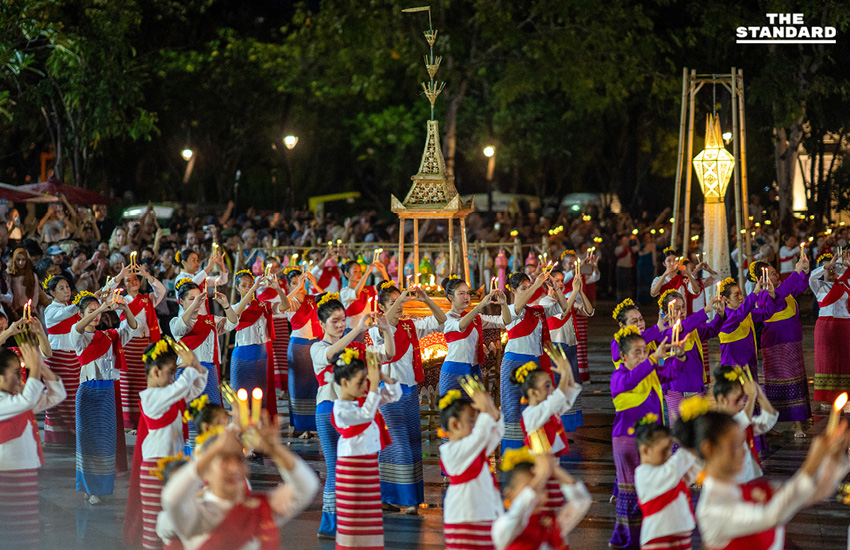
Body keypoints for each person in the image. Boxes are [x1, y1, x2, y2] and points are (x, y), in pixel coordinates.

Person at [674, 399, 850, 550]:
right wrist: (811, 463)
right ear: (709, 449)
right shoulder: (711, 509)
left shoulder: (753, 488)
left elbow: (812, 493)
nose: (743, 452)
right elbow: (771, 515)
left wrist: (832, 459)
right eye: (734, 446)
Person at [160, 414, 319, 550]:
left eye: (239, 460)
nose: (234, 468)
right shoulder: (197, 515)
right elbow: (172, 499)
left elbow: (308, 487)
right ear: (206, 472)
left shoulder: (262, 508)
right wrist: (213, 450)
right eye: (224, 460)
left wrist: (276, 450)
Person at [310, 295, 394, 539]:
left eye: (343, 320)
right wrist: (358, 328)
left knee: (355, 467)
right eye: (334, 321)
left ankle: (351, 516)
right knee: (335, 468)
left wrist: (387, 330)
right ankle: (330, 523)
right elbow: (331, 355)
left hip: (356, 416)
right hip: (328, 410)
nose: (339, 325)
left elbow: (388, 354)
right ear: (322, 324)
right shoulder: (318, 347)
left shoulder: (358, 349)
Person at [123, 337, 208, 550]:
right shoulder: (150, 397)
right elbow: (180, 387)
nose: (173, 377)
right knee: (153, 526)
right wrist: (188, 368)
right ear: (155, 372)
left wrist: (196, 366)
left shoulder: (171, 394)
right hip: (154, 469)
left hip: (174, 466)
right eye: (171, 372)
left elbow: (195, 387)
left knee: (173, 524)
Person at [371, 281, 446, 513]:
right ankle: (406, 501)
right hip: (389, 392)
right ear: (382, 308)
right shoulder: (377, 329)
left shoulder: (410, 326)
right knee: (397, 444)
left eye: (401, 302)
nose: (401, 306)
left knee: (413, 443)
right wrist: (402, 294)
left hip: (411, 390)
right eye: (394, 303)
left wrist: (426, 299)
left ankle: (400, 497)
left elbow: (441, 320)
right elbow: (385, 337)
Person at [609, 327, 678, 550]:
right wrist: (653, 359)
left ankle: (646, 536)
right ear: (624, 357)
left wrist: (681, 355)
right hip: (627, 441)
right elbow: (629, 382)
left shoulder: (648, 370)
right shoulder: (618, 377)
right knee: (630, 492)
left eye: (644, 351)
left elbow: (671, 373)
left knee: (650, 491)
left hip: (650, 440)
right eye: (636, 352)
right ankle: (627, 539)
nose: (642, 356)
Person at [72, 290, 139, 505]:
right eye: (91, 311)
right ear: (82, 314)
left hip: (107, 391)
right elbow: (78, 327)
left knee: (105, 441)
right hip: (88, 391)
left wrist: (125, 308)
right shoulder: (79, 335)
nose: (97, 315)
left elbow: (132, 326)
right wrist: (100, 307)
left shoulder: (111, 336)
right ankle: (88, 487)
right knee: (87, 440)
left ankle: (99, 487)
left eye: (98, 311)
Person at [332, 347, 401, 550]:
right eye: (360, 382)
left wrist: (382, 377)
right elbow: (365, 416)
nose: (365, 385)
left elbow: (393, 395)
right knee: (353, 521)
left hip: (368, 466)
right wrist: (372, 390)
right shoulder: (340, 408)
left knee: (369, 520)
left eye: (366, 380)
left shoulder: (364, 401)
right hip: (351, 471)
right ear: (344, 383)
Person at [0, 343, 66, 550]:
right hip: (7, 472)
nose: (20, 377)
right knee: (12, 530)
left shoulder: (16, 399)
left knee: (26, 530)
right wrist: (34, 368)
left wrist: (41, 366)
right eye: (15, 373)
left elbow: (57, 395)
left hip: (24, 469)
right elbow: (28, 400)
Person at [500, 271, 568, 451]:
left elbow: (563, 307)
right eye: (523, 288)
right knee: (512, 407)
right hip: (513, 363)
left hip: (534, 363)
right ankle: (512, 452)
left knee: (534, 406)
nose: (528, 291)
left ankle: (532, 449)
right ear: (513, 290)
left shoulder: (537, 310)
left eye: (529, 287)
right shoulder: (510, 309)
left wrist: (555, 287)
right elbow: (517, 308)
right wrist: (537, 285)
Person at [512, 346, 581, 511]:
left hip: (553, 467)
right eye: (547, 386)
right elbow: (559, 398)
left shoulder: (546, 409)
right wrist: (563, 374)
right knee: (541, 508)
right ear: (533, 393)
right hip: (539, 471)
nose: (552, 390)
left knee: (552, 509)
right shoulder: (532, 414)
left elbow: (568, 394)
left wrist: (568, 370)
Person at [438, 389, 503, 550]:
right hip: (463, 518)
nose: (475, 426)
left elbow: (495, 434)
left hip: (484, 513)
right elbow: (480, 436)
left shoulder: (474, 448)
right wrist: (484, 412)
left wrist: (492, 410)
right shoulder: (450, 451)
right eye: (471, 421)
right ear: (455, 424)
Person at [106, 263, 167, 430]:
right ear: (124, 285)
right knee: (128, 383)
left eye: (135, 279)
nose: (133, 282)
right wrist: (119, 276)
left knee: (145, 382)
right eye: (128, 280)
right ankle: (127, 422)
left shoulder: (148, 299)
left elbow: (161, 291)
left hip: (147, 345)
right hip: (128, 346)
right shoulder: (121, 301)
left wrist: (146, 275)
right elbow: (106, 296)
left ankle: (142, 420)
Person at [756, 254, 812, 437]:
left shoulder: (783, 290)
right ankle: (788, 425)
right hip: (777, 347)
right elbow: (779, 297)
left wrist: (804, 272)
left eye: (775, 272)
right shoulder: (765, 297)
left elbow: (800, 286)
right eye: (771, 274)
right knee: (781, 384)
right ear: (762, 279)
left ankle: (798, 422)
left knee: (795, 382)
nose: (776, 275)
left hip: (792, 345)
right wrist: (795, 271)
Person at [492, 449, 591, 550]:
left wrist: (555, 470)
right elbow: (519, 511)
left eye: (542, 488)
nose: (537, 495)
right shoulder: (503, 526)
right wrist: (541, 476)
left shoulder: (548, 525)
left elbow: (581, 502)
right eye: (530, 487)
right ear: (509, 493)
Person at [656, 289, 725, 423]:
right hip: (674, 387)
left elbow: (711, 330)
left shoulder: (691, 325)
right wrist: (705, 310)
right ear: (665, 312)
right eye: (676, 308)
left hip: (694, 383)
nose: (681, 312)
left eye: (683, 307)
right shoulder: (663, 331)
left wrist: (720, 315)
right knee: (678, 426)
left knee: (697, 426)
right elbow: (680, 329)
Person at [169, 279, 238, 407]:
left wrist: (226, 305)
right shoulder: (175, 322)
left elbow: (233, 323)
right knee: (190, 416)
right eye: (191, 299)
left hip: (209, 372)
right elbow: (180, 328)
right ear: (181, 301)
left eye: (199, 298)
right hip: (187, 373)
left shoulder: (211, 320)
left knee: (211, 416)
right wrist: (195, 304)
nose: (197, 302)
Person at [230, 269, 289, 417]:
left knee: (259, 393)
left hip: (261, 353)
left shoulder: (263, 305)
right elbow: (236, 315)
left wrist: (278, 289)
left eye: (251, 284)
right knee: (241, 393)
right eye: (244, 285)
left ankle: (259, 426)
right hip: (242, 354)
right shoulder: (233, 307)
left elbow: (285, 306)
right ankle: (242, 424)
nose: (249, 288)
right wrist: (254, 289)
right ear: (237, 288)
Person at [633, 417, 698, 550]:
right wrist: (687, 445)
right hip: (657, 537)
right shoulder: (642, 474)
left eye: (670, 450)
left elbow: (691, 470)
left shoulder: (671, 472)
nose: (669, 455)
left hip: (682, 533)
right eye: (664, 450)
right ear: (645, 450)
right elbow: (673, 469)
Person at [441, 276, 510, 395]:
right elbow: (461, 325)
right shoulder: (447, 318)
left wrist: (503, 304)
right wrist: (479, 306)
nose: (466, 297)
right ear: (451, 297)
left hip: (473, 371)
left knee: (475, 411)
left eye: (467, 293)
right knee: (452, 412)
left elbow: (505, 321)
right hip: (454, 371)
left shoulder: (476, 318)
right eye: (461, 293)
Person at [543, 270, 592, 431]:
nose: (561, 283)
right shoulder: (546, 301)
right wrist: (573, 293)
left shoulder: (567, 299)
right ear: (548, 284)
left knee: (572, 382)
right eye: (556, 280)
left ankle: (570, 422)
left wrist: (580, 291)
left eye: (562, 280)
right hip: (557, 346)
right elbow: (563, 313)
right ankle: (559, 423)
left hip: (570, 345)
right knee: (560, 384)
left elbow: (589, 311)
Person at [712, 365, 778, 483]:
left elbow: (768, 420)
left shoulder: (742, 422)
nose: (742, 403)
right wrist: (752, 397)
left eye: (743, 398)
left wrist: (760, 395)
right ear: (722, 399)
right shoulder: (714, 423)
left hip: (748, 479)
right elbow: (739, 422)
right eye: (737, 399)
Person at [282, 267, 324, 435]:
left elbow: (329, 300)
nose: (299, 285)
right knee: (298, 387)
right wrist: (296, 288)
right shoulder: (289, 301)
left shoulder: (312, 299)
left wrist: (314, 284)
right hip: (298, 346)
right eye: (294, 282)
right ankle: (301, 426)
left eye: (301, 281)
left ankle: (313, 425)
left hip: (314, 345)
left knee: (313, 386)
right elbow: (282, 305)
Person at [42, 274, 80, 445]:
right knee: (61, 396)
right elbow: (67, 312)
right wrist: (82, 302)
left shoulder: (72, 306)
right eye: (61, 288)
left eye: (67, 287)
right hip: (57, 358)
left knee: (74, 396)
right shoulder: (51, 310)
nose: (67, 291)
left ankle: (74, 433)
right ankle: (61, 436)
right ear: (52, 292)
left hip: (74, 357)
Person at [809, 251, 850, 410]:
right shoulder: (819, 286)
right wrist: (827, 266)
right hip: (825, 328)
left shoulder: (845, 283)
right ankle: (826, 398)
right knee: (826, 362)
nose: (831, 272)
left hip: (844, 326)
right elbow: (811, 277)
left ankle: (845, 396)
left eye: (834, 269)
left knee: (844, 361)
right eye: (828, 269)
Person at [339, 259, 388, 337]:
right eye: (355, 272)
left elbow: (384, 287)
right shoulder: (345, 292)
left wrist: (383, 271)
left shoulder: (366, 290)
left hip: (367, 329)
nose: (359, 274)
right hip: (352, 330)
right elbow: (356, 293)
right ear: (347, 274)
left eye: (360, 272)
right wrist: (367, 272)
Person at [173, 248, 229, 315]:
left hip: (202, 315)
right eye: (193, 260)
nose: (197, 263)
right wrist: (208, 267)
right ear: (183, 262)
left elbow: (222, 280)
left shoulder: (199, 277)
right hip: (188, 318)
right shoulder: (180, 279)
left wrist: (221, 265)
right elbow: (191, 285)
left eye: (197, 260)